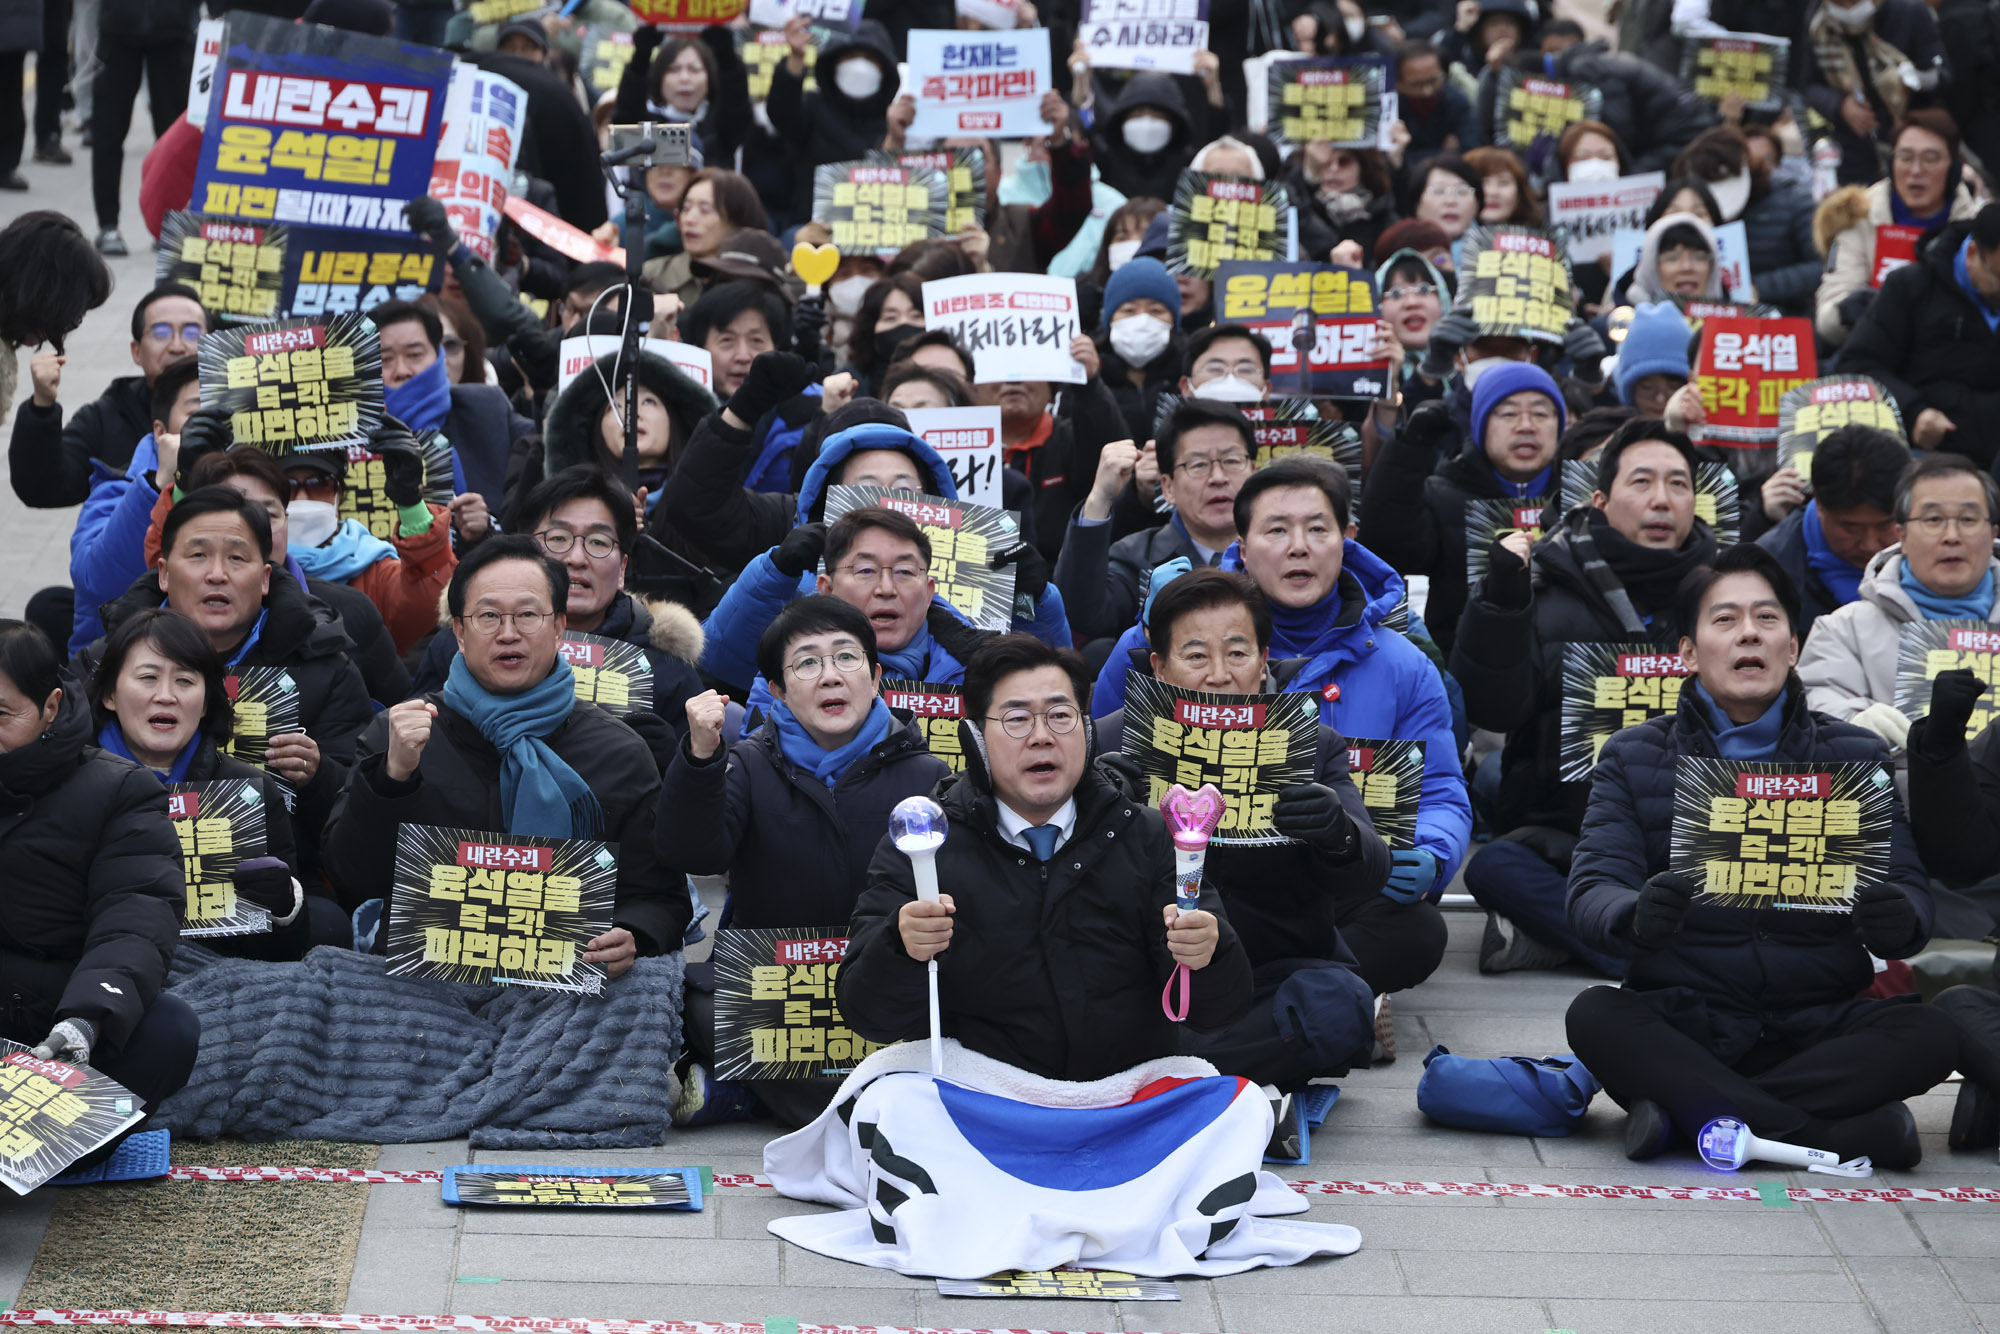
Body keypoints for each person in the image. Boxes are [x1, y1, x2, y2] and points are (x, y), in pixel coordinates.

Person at [1564, 544, 1954, 1169]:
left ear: (1793, 646)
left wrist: (1897, 916)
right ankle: (1836, 1137)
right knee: (1595, 1014)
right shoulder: (1632, 754)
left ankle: (1688, 1118)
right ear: (1688, 653)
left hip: (1821, 1025)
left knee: (1933, 1033)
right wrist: (1636, 913)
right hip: (1692, 1022)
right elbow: (1590, 890)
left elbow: (1908, 887)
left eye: (1767, 619)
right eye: (1725, 620)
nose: (1749, 632)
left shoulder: (1854, 753)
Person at [837, 634, 1254, 1082]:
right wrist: (901, 947)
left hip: (1123, 1096)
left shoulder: (1149, 837)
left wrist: (1209, 954)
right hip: (978, 1095)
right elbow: (870, 1018)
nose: (1041, 737)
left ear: (1087, 730)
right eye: (1017, 719)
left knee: (1241, 1110)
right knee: (883, 1102)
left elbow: (1219, 1012)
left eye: (1060, 716)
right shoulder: (925, 846)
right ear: (975, 738)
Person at [1092, 456, 1473, 909]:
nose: (1299, 547)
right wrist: (1153, 626)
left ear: (1347, 540)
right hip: (1183, 884)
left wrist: (1434, 851)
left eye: (1317, 529)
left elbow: (1440, 788)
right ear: (1243, 547)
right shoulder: (1161, 641)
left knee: (1414, 934)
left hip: (1342, 886)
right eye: (1276, 530)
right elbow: (1108, 747)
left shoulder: (1404, 664)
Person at [1094, 570, 1403, 1079]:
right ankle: (1213, 1077)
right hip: (1147, 975)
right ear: (1160, 667)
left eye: (1237, 653)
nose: (1219, 674)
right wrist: (1098, 812)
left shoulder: (1313, 744)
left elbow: (1371, 872)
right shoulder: (1107, 742)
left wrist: (1337, 834)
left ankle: (1161, 1076)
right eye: (1196, 656)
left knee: (1340, 1003)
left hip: (1271, 976)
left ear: (1262, 663)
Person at [322, 536, 690, 963]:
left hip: (568, 985)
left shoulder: (619, 750)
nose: (509, 633)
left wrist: (635, 934)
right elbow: (352, 879)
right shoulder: (400, 734)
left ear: (558, 628)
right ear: (458, 632)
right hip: (424, 985)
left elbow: (661, 897)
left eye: (528, 615)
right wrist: (391, 780)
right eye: (489, 616)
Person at [660, 595, 951, 1127]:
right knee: (694, 1003)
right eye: (807, 663)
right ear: (777, 690)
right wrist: (701, 758)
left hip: (884, 985)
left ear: (876, 675)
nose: (831, 676)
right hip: (781, 994)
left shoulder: (926, 776)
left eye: (846, 657)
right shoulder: (747, 763)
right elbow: (694, 852)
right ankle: (851, 1109)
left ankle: (753, 1093)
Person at [1452, 421, 1720, 974]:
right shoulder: (1548, 587)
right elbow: (1492, 708)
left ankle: (1573, 940)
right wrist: (1501, 604)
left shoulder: (1728, 598)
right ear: (1600, 499)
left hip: (1703, 832)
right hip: (1576, 829)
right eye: (1642, 483)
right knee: (1494, 867)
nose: (1661, 500)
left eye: (1678, 484)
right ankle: (1645, 955)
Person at [86, 487, 375, 875]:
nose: (217, 574)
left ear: (265, 578)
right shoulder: (102, 662)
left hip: (271, 879)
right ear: (165, 573)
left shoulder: (325, 667)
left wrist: (319, 774)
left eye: (237, 558)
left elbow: (360, 815)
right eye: (198, 555)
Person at [0, 620, 199, 1144]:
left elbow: (135, 915)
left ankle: (49, 1148)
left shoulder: (119, 790)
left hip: (53, 1021)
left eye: (1, 715)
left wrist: (87, 1018)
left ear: (49, 707)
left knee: (167, 1030)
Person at [414, 466, 705, 773]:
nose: (576, 558)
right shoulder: (461, 645)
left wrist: (676, 764)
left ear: (622, 569)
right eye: (558, 537)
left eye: (598, 542)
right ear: (527, 554)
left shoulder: (665, 670)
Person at [703, 492, 1064, 723]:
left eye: (905, 571)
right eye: (865, 571)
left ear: (928, 591)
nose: (887, 589)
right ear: (825, 587)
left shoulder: (983, 668)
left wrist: (1036, 600)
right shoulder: (794, 670)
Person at [89, 607, 319, 960]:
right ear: (109, 695)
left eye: (185, 680)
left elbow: (283, 956)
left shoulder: (250, 792)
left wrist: (282, 909)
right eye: (148, 677)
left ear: (206, 702)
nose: (166, 695)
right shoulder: (70, 786)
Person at [136, 444, 413, 710]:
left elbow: (387, 727)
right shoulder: (135, 631)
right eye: (234, 510)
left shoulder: (350, 615)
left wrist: (320, 759)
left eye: (267, 514)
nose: (251, 527)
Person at [1797, 452, 2000, 770]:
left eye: (1968, 519)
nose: (1951, 536)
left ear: (1992, 533)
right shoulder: (1843, 630)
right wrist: (1855, 725)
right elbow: (1813, 707)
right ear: (1901, 535)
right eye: (1933, 520)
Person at [1360, 361, 1568, 656]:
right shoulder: (1444, 492)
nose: (1526, 426)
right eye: (1508, 413)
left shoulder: (1582, 497)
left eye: (1540, 413)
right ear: (1481, 425)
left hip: (1559, 667)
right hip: (1467, 661)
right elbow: (1387, 552)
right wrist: (1409, 449)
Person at [1055, 399, 1251, 645]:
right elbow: (1082, 615)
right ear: (1167, 487)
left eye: (1232, 461)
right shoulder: (1137, 558)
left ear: (1253, 470)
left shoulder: (1283, 551)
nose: (1218, 478)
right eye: (1198, 464)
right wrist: (1099, 499)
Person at [11, 283, 206, 509]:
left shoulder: (241, 409)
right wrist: (41, 407)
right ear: (136, 351)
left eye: (191, 333)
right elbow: (43, 488)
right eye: (161, 332)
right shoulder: (104, 418)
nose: (177, 346)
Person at [1842, 204, 2000, 468]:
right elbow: (1858, 365)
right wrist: (1913, 412)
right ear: (1972, 254)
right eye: (1998, 277)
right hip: (1924, 455)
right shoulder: (1910, 287)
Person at [1814, 111, 1980, 347]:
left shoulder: (1978, 228)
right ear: (1891, 165)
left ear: (1953, 169)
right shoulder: (1858, 218)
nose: (1915, 170)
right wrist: (1846, 310)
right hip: (1878, 353)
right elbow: (1827, 318)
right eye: (1905, 157)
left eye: (1930, 158)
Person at [369, 299, 534, 533]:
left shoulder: (486, 409)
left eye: (414, 355)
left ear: (439, 357)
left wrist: (541, 389)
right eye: (385, 360)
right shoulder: (347, 432)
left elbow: (549, 451)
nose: (402, 371)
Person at [523, 345, 717, 542]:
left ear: (675, 421)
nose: (631, 413)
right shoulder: (551, 499)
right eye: (615, 406)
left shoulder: (713, 504)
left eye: (648, 401)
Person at [1752, 426, 1908, 636]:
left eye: (1885, 525)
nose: (1869, 544)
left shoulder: (1940, 553)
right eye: (1850, 527)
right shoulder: (1768, 571)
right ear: (1818, 503)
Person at [1477, 37, 1714, 175]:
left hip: (1686, 137)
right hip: (1671, 132)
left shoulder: (1588, 70)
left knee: (1618, 176)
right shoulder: (1579, 65)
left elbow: (1620, 135)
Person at [1671, 126, 1820, 318]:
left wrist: (1759, 288)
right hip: (1703, 316)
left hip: (1783, 319)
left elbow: (1821, 267)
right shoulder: (1685, 205)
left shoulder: (1794, 200)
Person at [88, 0, 199, 256]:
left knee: (175, 139)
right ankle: (108, 225)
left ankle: (172, 222)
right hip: (118, 28)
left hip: (173, 29)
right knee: (107, 132)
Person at [766, 17, 900, 224]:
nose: (860, 66)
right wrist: (796, 57)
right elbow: (783, 113)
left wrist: (896, 137)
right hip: (813, 227)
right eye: (851, 56)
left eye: (869, 59)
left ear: (884, 68)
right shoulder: (814, 106)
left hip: (878, 227)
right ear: (833, 63)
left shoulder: (897, 116)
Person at [1803, 0, 1946, 187]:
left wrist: (1910, 80)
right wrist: (1840, 106)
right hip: (1855, 150)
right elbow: (1808, 85)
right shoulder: (1818, 22)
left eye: (1854, 2)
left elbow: (1944, 76)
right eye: (1839, 3)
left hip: (1913, 142)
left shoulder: (1909, 11)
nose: (1848, 8)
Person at [614, 24, 752, 167]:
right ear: (658, 78)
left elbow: (737, 110)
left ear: (710, 77)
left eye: (694, 70)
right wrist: (640, 59)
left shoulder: (721, 130)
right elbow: (625, 117)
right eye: (674, 70)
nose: (684, 78)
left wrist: (727, 59)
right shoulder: (646, 127)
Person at [640, 170, 771, 309]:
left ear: (737, 220)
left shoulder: (762, 279)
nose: (689, 219)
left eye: (705, 209)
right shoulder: (651, 275)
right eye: (686, 208)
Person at [1096, 256, 1184, 444]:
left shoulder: (1188, 378)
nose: (1143, 320)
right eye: (1129, 310)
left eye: (1156, 311)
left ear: (1173, 321)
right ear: (1110, 320)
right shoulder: (1089, 380)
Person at [1397, 39, 1480, 158]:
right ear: (1398, 84)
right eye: (1417, 84)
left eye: (1433, 81)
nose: (1427, 91)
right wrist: (1445, 153)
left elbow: (1472, 151)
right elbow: (1386, 158)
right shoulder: (1386, 108)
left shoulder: (1456, 101)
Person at [1611, 302, 1692, 420]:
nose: (1660, 398)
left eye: (1674, 387)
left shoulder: (1713, 434)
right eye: (1647, 386)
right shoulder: (1609, 433)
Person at [1465, 147, 1542, 227]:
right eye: (1482, 183)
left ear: (1520, 192)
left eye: (1503, 183)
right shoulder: (1453, 237)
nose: (1492, 192)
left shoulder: (1542, 236)